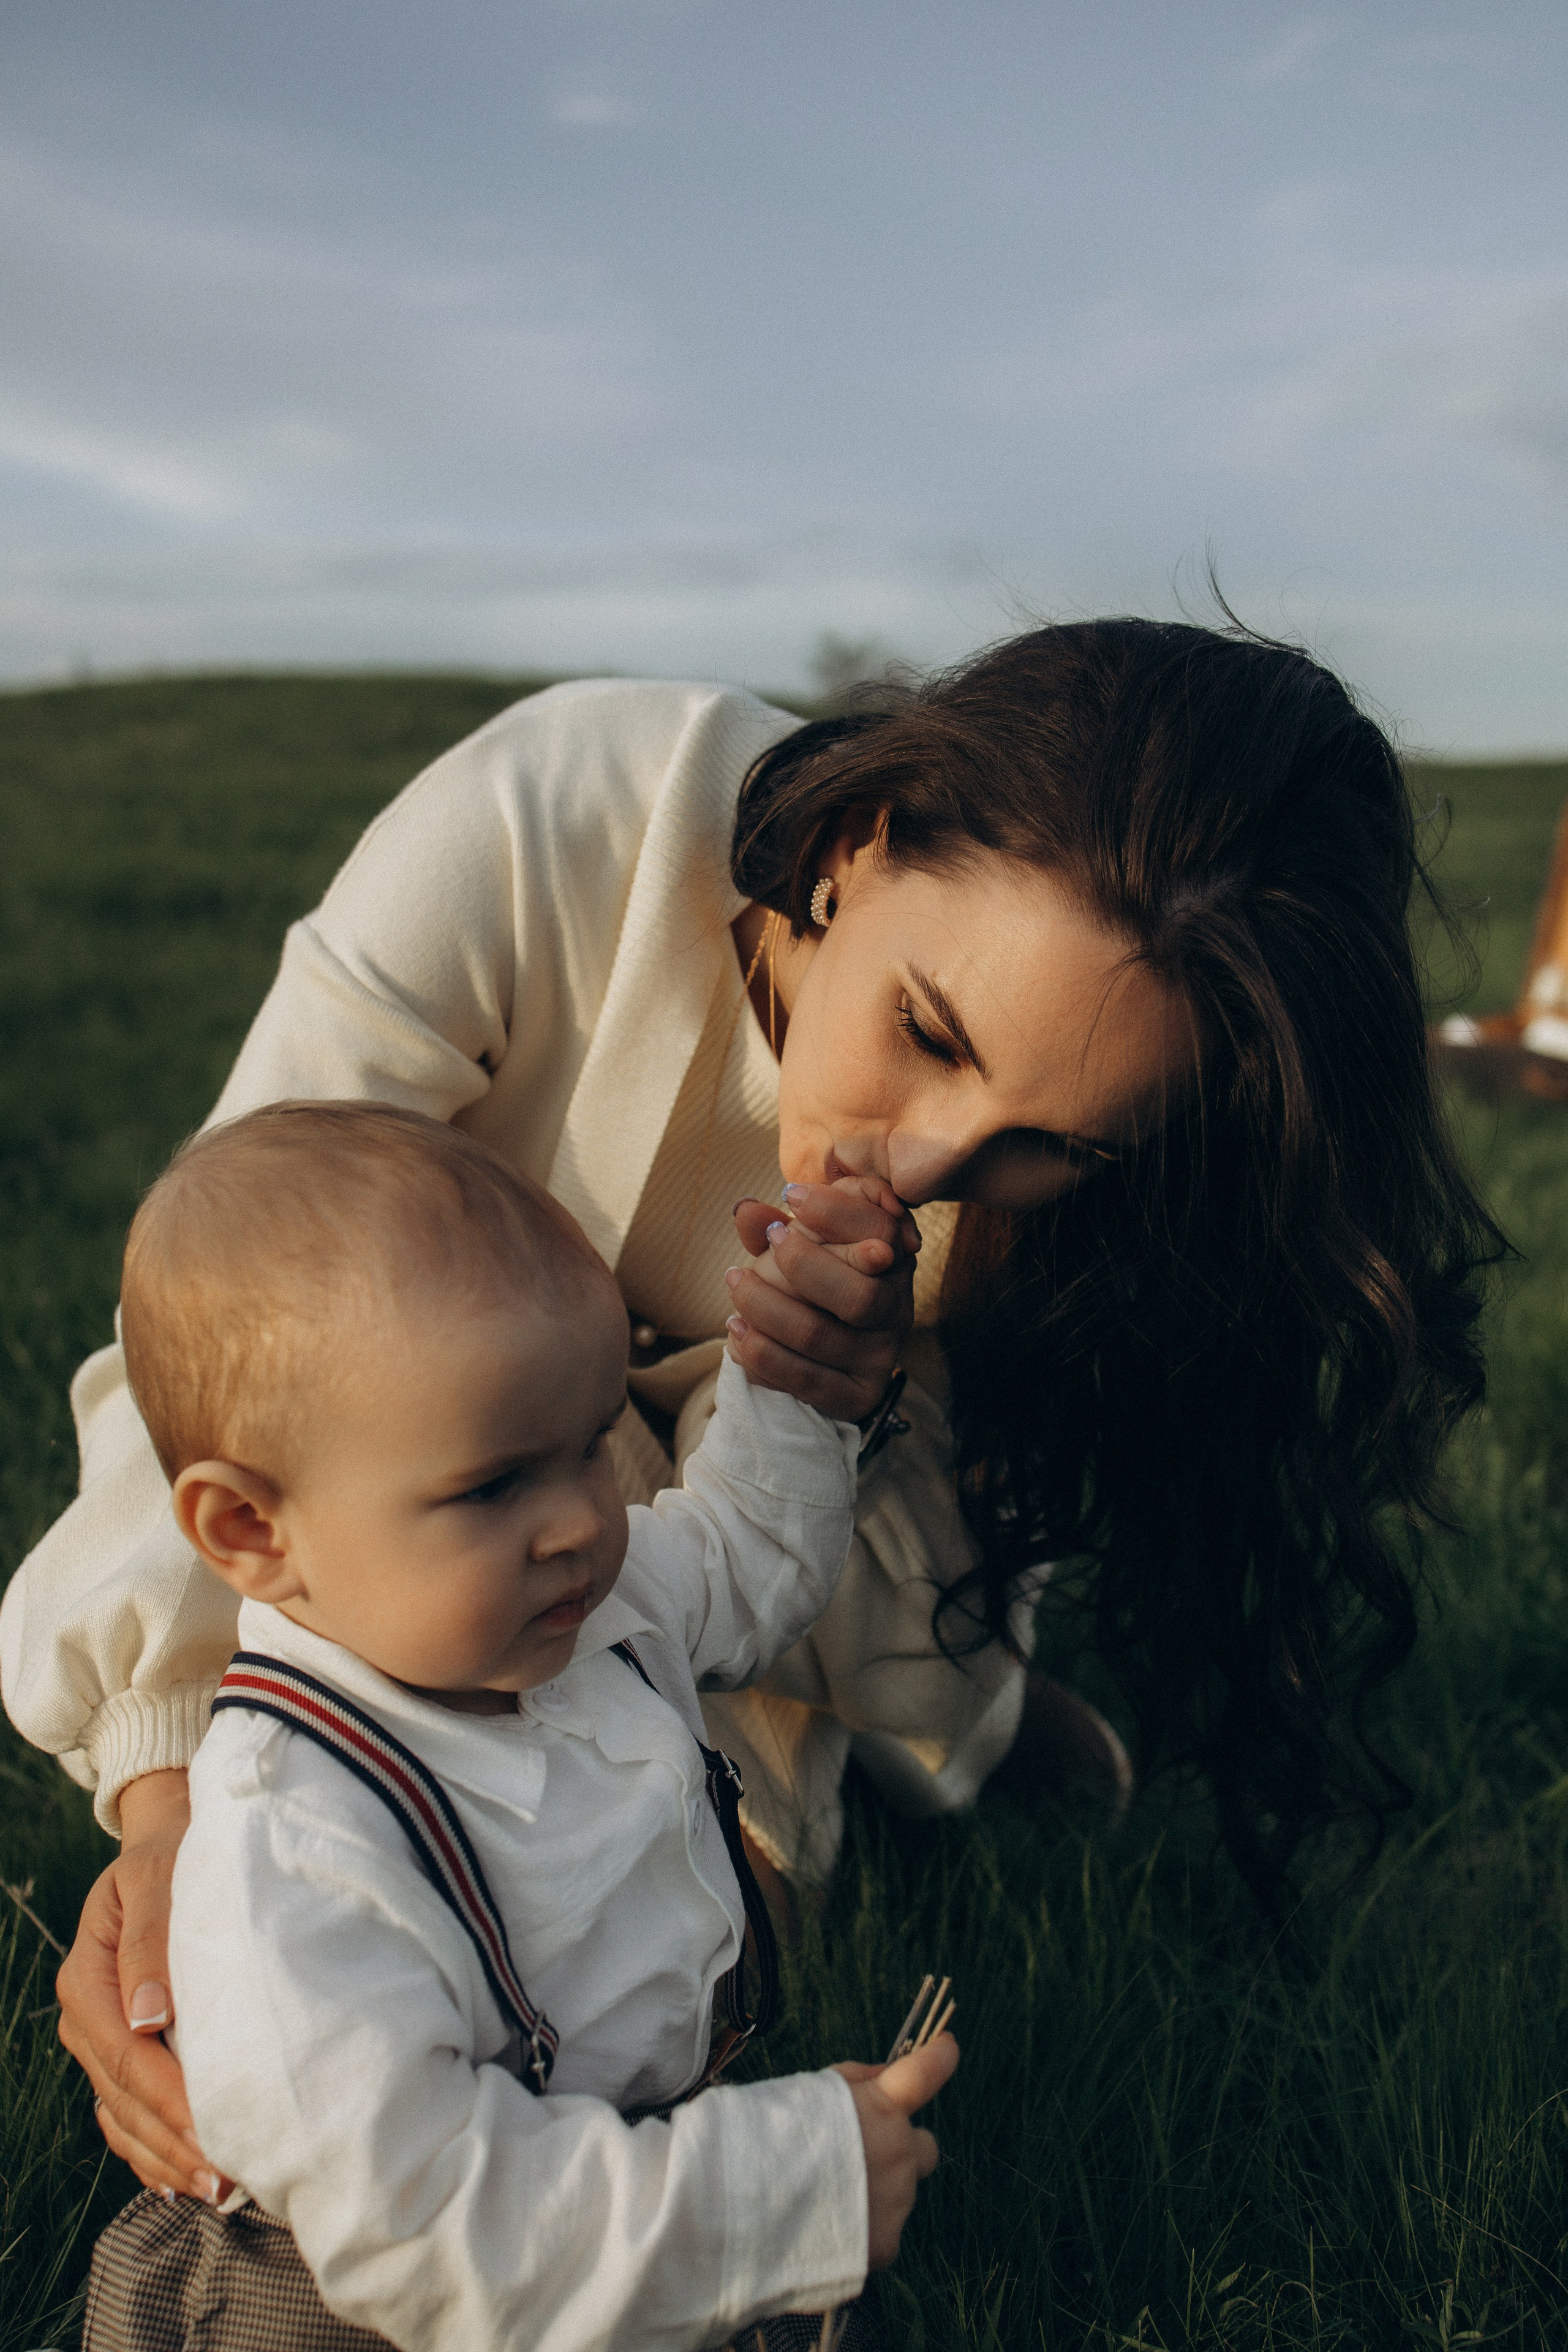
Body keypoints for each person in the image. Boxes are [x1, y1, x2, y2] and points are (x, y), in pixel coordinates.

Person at [2, 618, 1497, 2211]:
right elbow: (222, 1334)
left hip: (772, 1506)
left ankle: (965, 1741)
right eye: (927, 1031)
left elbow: (823, 1568)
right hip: (442, 1468)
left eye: (1049, 1145)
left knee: (697, 1916)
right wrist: (171, 1788)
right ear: (852, 849)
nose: (923, 1168)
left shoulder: (1054, 1206)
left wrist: (846, 1409)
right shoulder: (548, 825)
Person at [83, 1100, 952, 2352]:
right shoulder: (297, 1851)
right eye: (493, 1484)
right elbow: (429, 2223)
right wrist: (778, 2180)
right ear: (253, 1533)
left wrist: (789, 1386)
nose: (580, 1523)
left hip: (585, 2190)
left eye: (590, 1444)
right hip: (359, 2290)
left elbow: (744, 1557)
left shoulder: (574, 1612)